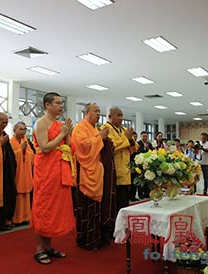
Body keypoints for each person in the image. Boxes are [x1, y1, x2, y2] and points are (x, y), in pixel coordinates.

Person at [32, 92, 75, 265]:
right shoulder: (40, 123)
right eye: (57, 103)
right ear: (47, 105)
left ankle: (48, 247)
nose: (61, 106)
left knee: (55, 208)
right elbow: (45, 147)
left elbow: (69, 146)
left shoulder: (60, 124)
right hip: (45, 171)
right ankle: (39, 249)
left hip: (59, 169)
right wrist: (62, 133)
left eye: (62, 103)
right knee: (44, 207)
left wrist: (67, 133)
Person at [72, 103, 114, 250]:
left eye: (99, 111)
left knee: (97, 210)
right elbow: (82, 147)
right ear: (87, 112)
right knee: (87, 209)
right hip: (86, 173)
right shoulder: (79, 128)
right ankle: (86, 240)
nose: (98, 114)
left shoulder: (95, 129)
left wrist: (105, 139)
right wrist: (100, 138)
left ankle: (97, 237)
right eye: (95, 111)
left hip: (97, 173)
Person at [101, 106, 138, 213]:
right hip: (113, 172)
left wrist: (129, 140)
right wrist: (126, 139)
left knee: (124, 203)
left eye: (122, 115)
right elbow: (112, 147)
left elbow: (134, 147)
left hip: (125, 172)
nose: (121, 118)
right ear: (110, 116)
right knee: (114, 203)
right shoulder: (105, 128)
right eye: (118, 115)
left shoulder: (124, 130)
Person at [10, 121, 34, 225]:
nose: (23, 131)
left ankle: (26, 217)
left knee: (26, 195)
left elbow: (32, 156)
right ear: (14, 130)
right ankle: (16, 219)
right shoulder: (11, 142)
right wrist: (21, 151)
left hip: (26, 172)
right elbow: (10, 158)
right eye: (20, 129)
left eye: (24, 129)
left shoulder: (26, 141)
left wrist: (25, 152)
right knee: (18, 196)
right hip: (17, 173)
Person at [136, 131, 152, 199]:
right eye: (143, 136)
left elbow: (151, 151)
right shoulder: (138, 143)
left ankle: (147, 193)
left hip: (148, 163)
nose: (145, 137)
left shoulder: (149, 144)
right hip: (140, 164)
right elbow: (138, 152)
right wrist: (144, 149)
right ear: (141, 136)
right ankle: (140, 194)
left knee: (148, 178)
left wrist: (148, 149)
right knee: (141, 179)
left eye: (146, 136)